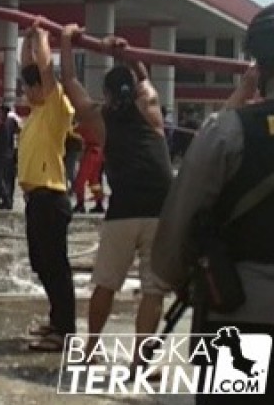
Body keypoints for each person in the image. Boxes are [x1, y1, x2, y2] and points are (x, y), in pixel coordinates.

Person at [153, 0, 274, 405]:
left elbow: (176, 230)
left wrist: (174, 277)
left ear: (263, 61)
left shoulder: (228, 130)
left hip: (235, 323)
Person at [60, 25, 172, 368]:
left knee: (107, 284)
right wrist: (129, 56)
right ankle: (141, 359)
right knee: (153, 290)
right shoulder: (152, 109)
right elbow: (146, 78)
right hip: (161, 209)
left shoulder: (100, 118)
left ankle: (92, 348)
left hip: (124, 210)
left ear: (107, 95)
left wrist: (65, 41)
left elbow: (70, 83)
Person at [17, 21, 77, 351]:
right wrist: (28, 38)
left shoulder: (56, 107)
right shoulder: (36, 113)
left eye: (31, 87)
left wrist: (41, 37)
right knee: (41, 263)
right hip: (35, 199)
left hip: (50, 197)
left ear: (42, 88)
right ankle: (57, 320)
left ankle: (65, 330)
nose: (27, 92)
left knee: (56, 265)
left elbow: (44, 68)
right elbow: (31, 67)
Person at [71, 119, 106, 214]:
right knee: (94, 181)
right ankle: (99, 203)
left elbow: (74, 131)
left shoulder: (86, 123)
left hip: (91, 151)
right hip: (99, 153)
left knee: (80, 180)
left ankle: (80, 204)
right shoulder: (98, 122)